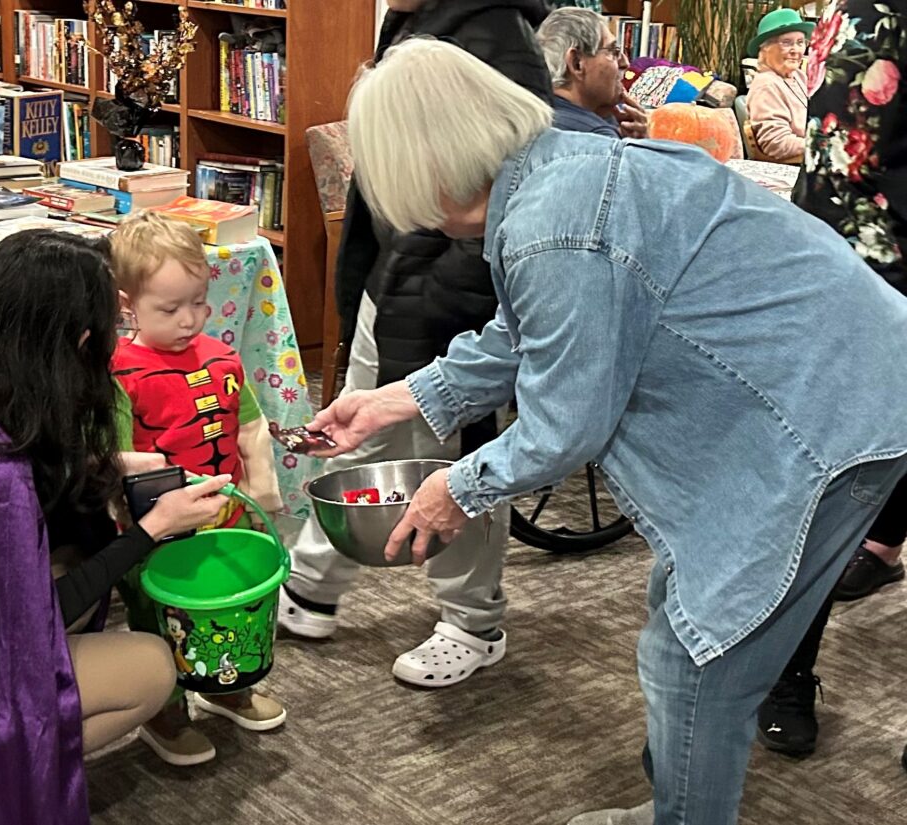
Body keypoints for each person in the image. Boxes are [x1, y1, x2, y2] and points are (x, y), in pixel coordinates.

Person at [311, 38, 907, 825]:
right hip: (841, 385)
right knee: (687, 623)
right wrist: (394, 401)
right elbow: (532, 335)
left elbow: (564, 427)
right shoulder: (559, 168)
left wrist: (456, 487)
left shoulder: (553, 224)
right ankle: (676, 804)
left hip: (834, 416)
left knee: (698, 663)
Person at [0, 231, 232, 822]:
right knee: (150, 665)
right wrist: (150, 530)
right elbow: (31, 619)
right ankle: (7, 770)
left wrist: (102, 464)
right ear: (80, 341)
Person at [278, 0, 553, 688]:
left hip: (441, 293)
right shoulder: (416, 28)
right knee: (368, 430)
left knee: (451, 456)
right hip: (399, 280)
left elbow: (499, 205)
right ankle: (311, 582)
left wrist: (438, 296)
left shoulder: (496, 39)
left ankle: (473, 618)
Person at [756, 0, 907, 758]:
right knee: (829, 483)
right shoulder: (864, 14)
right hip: (868, 271)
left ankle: (881, 547)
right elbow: (842, 156)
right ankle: (786, 669)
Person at [110, 211, 286, 766]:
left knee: (224, 605)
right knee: (159, 619)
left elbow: (251, 427)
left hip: (224, 518)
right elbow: (108, 459)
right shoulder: (119, 372)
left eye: (199, 303)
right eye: (169, 309)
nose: (189, 320)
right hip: (154, 530)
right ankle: (164, 710)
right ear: (127, 305)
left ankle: (224, 685)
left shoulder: (222, 357)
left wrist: (263, 495)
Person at [536, 6, 648, 138]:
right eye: (613, 52)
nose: (625, 63)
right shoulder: (599, 138)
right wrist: (640, 147)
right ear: (576, 63)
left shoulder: (528, 118)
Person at [746, 7, 815, 164]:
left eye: (800, 43)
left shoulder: (798, 76)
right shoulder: (766, 85)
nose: (795, 50)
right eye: (786, 43)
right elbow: (775, 144)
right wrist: (820, 147)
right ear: (766, 48)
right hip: (795, 166)